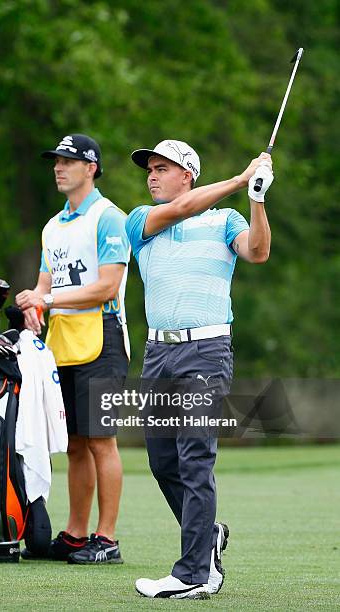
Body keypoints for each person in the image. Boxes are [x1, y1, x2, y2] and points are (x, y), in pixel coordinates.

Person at [125, 140, 273, 599]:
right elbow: (184, 208)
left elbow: (257, 251)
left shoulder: (224, 219)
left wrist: (257, 197)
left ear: (187, 173)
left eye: (161, 168)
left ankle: (194, 573)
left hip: (206, 350)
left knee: (194, 458)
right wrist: (238, 178)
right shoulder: (140, 222)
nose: (151, 176)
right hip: (158, 354)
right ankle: (207, 536)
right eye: (149, 169)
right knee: (162, 461)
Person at [16, 133, 130, 564]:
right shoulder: (52, 225)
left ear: (91, 167)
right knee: (76, 443)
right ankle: (77, 534)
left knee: (102, 441)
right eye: (56, 161)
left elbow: (106, 286)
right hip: (63, 341)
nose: (58, 168)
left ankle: (108, 538)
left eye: (67, 161)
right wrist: (34, 305)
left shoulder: (108, 217)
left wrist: (47, 299)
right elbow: (46, 285)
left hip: (104, 338)